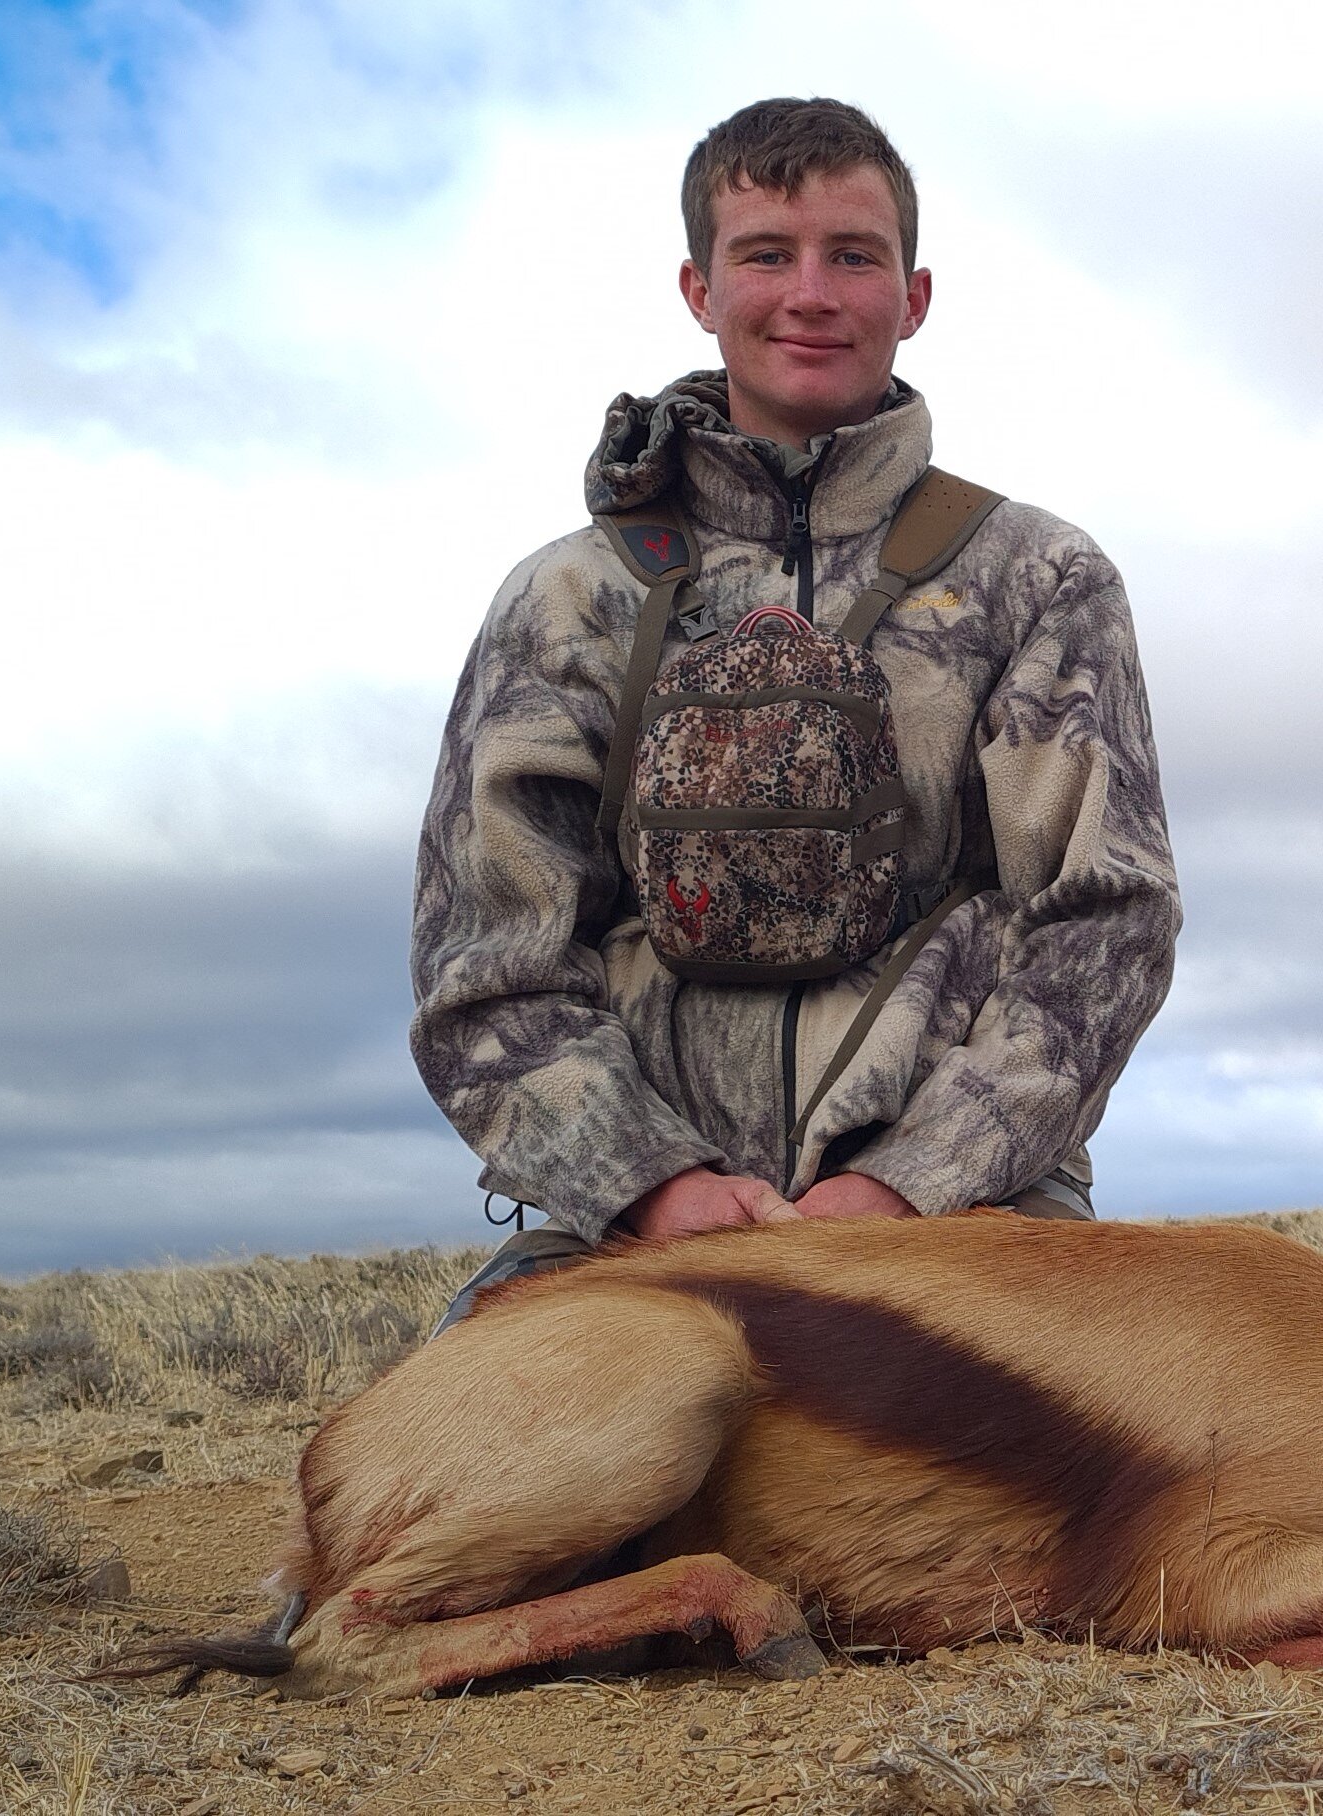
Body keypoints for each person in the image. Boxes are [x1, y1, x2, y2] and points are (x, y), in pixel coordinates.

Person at [410, 98, 1179, 1329]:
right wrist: (656, 1188)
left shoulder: (1038, 577)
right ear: (698, 289)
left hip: (972, 1219)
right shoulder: (567, 596)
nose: (810, 292)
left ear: (914, 296)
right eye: (766, 253)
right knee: (484, 1497)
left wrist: (903, 1185)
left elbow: (1107, 921)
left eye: (852, 255)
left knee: (1100, 1508)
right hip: (629, 1236)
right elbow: (485, 964)